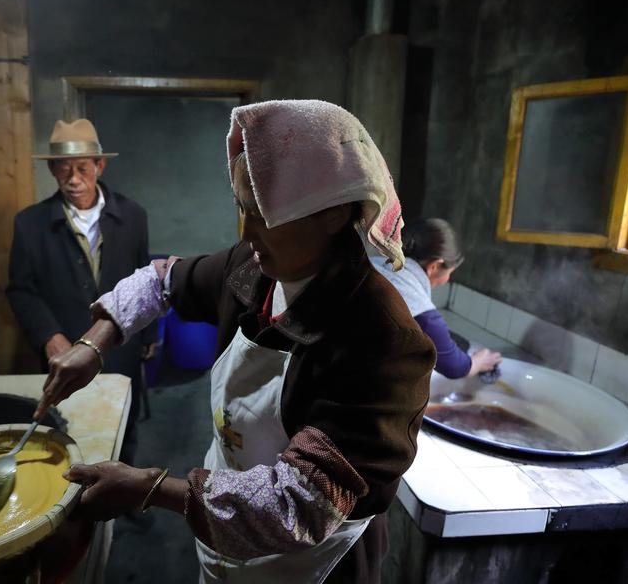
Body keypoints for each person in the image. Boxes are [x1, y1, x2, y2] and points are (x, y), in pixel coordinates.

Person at [33, 100, 435, 583]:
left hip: (309, 563)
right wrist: (94, 344)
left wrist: (151, 488)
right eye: (242, 208)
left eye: (264, 213)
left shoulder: (381, 341)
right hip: (221, 532)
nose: (247, 232)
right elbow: (161, 281)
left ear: (333, 215)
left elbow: (300, 505)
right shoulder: (253, 268)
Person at [6, 118, 156, 464]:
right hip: (67, 346)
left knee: (124, 422)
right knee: (68, 427)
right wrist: (49, 335)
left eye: (82, 168)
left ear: (99, 166)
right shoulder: (30, 224)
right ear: (53, 170)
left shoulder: (132, 215)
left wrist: (148, 333)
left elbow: (143, 277)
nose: (73, 179)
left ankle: (123, 496)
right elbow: (21, 289)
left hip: (120, 342)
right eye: (62, 169)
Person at [371, 218, 501, 378]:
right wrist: (479, 361)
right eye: (449, 273)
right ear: (435, 266)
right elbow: (455, 367)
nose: (447, 280)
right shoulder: (420, 311)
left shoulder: (372, 263)